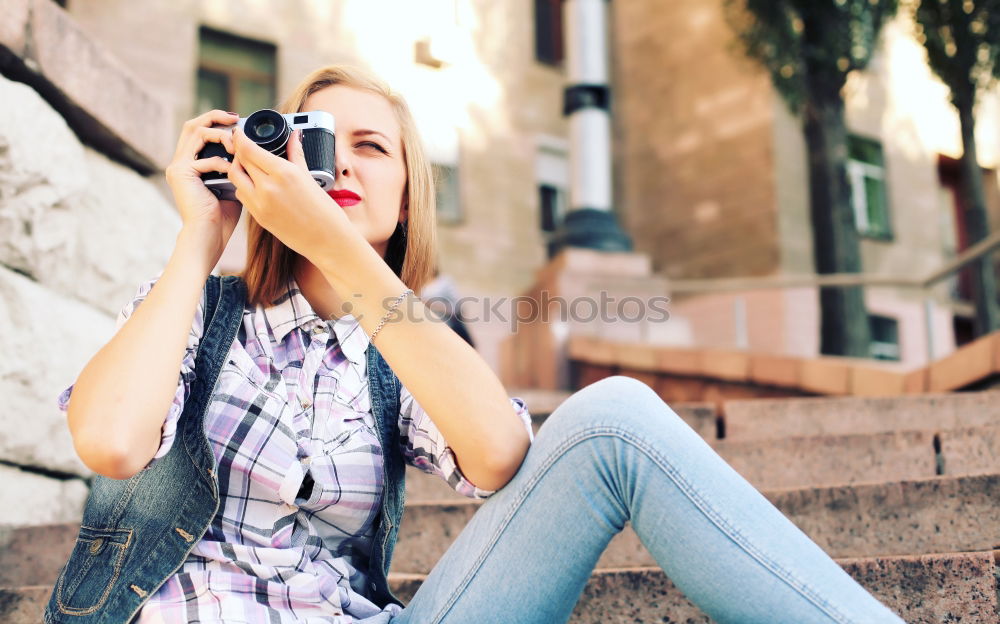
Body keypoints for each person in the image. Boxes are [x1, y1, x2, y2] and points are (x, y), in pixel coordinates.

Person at [48, 64, 906, 624]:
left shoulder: (407, 348)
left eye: (371, 149)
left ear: (410, 195)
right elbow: (113, 442)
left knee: (609, 419)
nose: (341, 165)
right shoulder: (195, 309)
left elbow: (497, 455)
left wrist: (343, 254)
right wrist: (203, 236)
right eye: (317, 141)